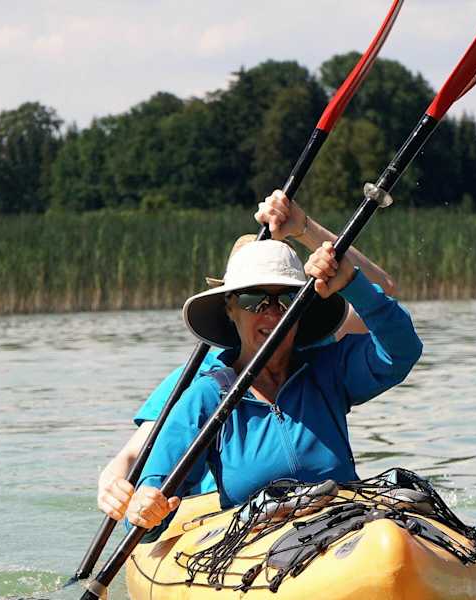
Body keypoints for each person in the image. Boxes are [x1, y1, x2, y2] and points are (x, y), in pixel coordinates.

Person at [95, 190, 402, 521]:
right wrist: (113, 481)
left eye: (283, 296)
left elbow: (382, 293)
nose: (270, 312)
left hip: (326, 506)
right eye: (253, 297)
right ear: (230, 305)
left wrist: (303, 228)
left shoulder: (322, 358)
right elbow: (138, 453)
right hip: (226, 514)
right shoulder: (201, 385)